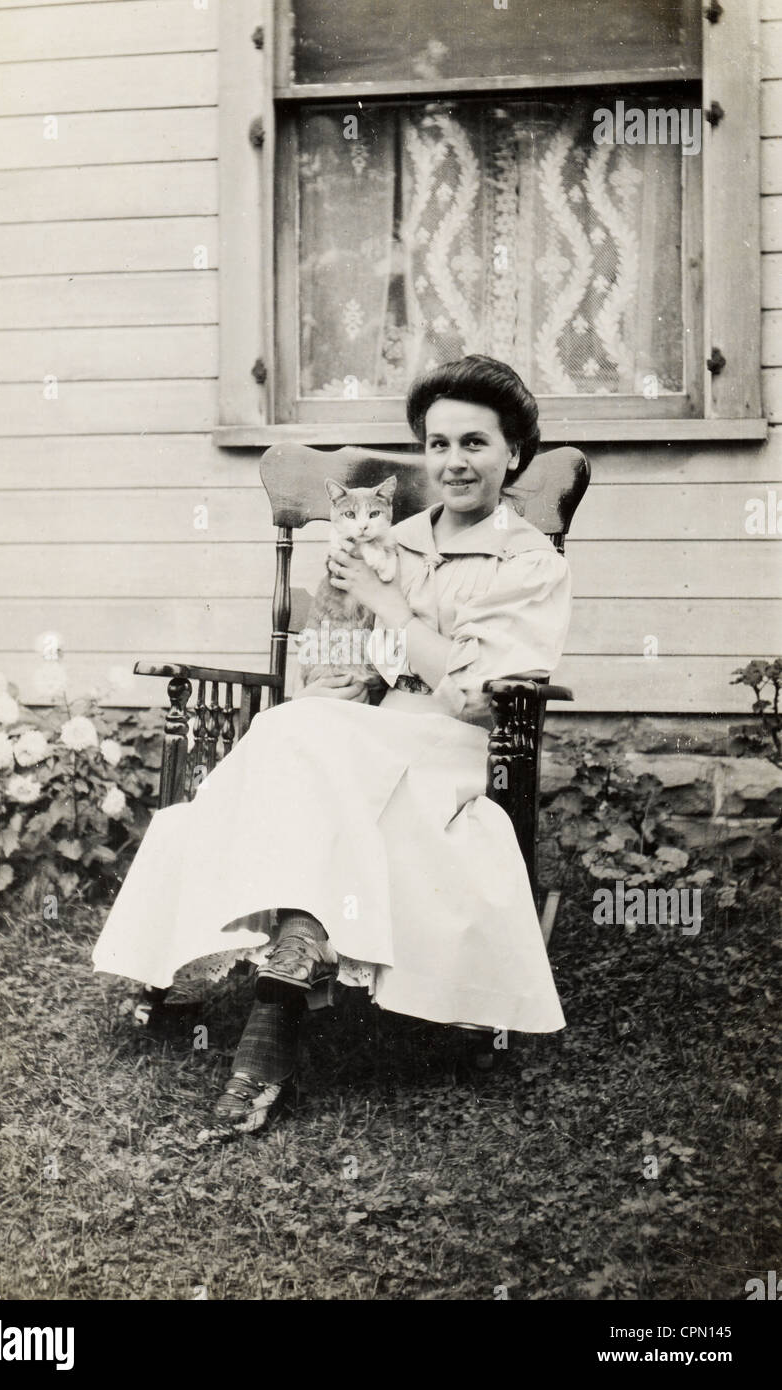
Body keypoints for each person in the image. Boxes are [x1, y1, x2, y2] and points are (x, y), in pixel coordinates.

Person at [92, 355, 572, 1140]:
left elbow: (472, 695)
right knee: (297, 723)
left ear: (513, 454)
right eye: (438, 442)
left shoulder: (528, 562)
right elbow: (340, 656)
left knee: (295, 733)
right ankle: (301, 947)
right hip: (355, 726)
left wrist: (384, 605)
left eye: (476, 444)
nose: (453, 462)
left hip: (441, 745)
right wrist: (340, 652)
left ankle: (268, 1033)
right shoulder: (386, 537)